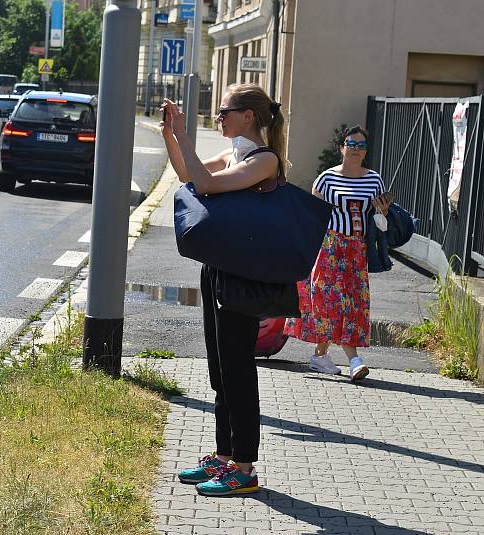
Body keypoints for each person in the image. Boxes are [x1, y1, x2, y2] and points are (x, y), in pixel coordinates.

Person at [160, 83, 284, 497]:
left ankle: (244, 467)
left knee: (238, 370)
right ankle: (225, 454)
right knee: (220, 370)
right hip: (219, 270)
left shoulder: (264, 161)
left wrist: (183, 136)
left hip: (243, 278)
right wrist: (171, 136)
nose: (219, 117)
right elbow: (188, 175)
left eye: (224, 111)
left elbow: (208, 186)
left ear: (248, 116)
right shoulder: (235, 153)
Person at [284, 125, 391, 381]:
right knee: (330, 300)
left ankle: (320, 356)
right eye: (351, 144)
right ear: (342, 147)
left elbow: (380, 222)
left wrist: (383, 212)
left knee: (353, 302)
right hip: (329, 247)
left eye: (361, 145)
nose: (355, 149)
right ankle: (354, 359)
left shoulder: (374, 180)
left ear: (366, 151)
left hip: (357, 249)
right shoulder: (326, 179)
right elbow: (313, 217)